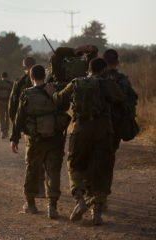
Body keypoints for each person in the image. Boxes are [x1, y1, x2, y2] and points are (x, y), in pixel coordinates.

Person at [46, 57, 125, 225]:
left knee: (74, 164)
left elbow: (59, 99)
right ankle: (96, 212)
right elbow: (121, 98)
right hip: (104, 130)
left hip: (81, 129)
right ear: (104, 69)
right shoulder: (107, 84)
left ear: (88, 69)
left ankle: (79, 198)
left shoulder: (76, 83)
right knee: (101, 169)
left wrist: (52, 92)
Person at [10, 65, 69, 218]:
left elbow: (19, 118)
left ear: (31, 77)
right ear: (45, 75)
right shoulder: (54, 93)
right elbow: (65, 109)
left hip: (35, 141)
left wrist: (14, 138)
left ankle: (30, 205)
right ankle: (52, 207)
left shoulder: (26, 94)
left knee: (32, 170)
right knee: (53, 172)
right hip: (54, 139)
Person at [102, 49, 138, 209]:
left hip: (96, 125)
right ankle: (103, 196)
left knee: (93, 160)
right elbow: (132, 99)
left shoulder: (96, 79)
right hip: (115, 127)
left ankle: (91, 195)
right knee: (108, 161)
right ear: (117, 62)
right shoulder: (122, 80)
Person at [9, 57, 46, 198]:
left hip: (29, 127)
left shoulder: (19, 83)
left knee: (31, 159)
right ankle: (42, 187)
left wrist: (17, 130)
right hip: (46, 126)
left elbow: (13, 110)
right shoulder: (45, 81)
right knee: (43, 156)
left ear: (24, 67)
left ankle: (35, 189)